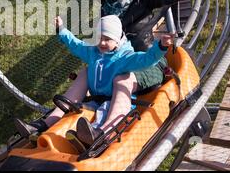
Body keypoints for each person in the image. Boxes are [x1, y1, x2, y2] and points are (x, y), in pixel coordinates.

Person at [15, 0, 230, 145]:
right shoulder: (107, 0)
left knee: (122, 79)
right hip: (110, 59)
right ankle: (46, 123)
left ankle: (105, 130)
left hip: (142, 62)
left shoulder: (144, 0)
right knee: (85, 72)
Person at [54, 15, 173, 148]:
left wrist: (161, 46)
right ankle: (47, 124)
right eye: (99, 38)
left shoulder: (124, 58)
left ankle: (101, 133)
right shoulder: (92, 52)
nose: (102, 43)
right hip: (95, 99)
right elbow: (75, 44)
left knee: (104, 111)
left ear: (117, 41)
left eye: (108, 39)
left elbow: (146, 60)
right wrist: (62, 30)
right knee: (83, 107)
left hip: (113, 101)